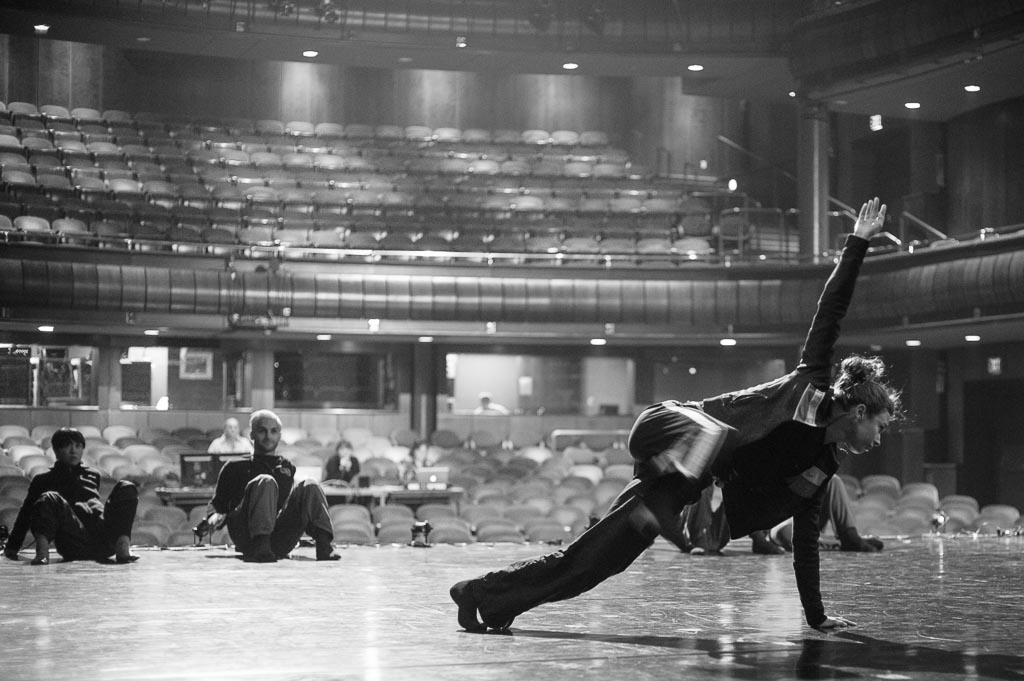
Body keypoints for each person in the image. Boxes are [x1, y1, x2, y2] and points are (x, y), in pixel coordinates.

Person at [450, 198, 900, 633]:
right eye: (879, 427)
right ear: (859, 410)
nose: (879, 440)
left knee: (593, 562)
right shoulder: (810, 386)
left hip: (682, 477)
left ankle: (483, 596)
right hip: (669, 425)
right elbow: (831, 311)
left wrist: (817, 616)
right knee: (720, 436)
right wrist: (857, 243)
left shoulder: (820, 468)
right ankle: (667, 503)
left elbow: (805, 543)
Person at [205, 409, 340, 563]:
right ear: (252, 435)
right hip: (248, 538)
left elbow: (292, 506)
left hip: (279, 540)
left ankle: (324, 546)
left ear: (279, 436)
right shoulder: (234, 466)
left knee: (310, 484)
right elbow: (215, 506)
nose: (268, 436)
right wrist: (214, 518)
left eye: (273, 431)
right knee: (266, 481)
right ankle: (261, 544)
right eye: (262, 431)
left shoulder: (286, 467)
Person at [3, 427, 139, 565]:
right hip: (73, 542)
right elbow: (25, 514)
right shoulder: (43, 480)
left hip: (103, 540)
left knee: (126, 486)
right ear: (56, 451)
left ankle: (122, 547)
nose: (73, 451)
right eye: (67, 446)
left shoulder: (93, 475)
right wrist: (12, 547)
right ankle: (42, 552)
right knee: (49, 497)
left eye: (78, 446)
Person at [678, 475, 883, 555]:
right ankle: (702, 540)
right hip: (774, 525)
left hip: (786, 517)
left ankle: (848, 536)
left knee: (833, 480)